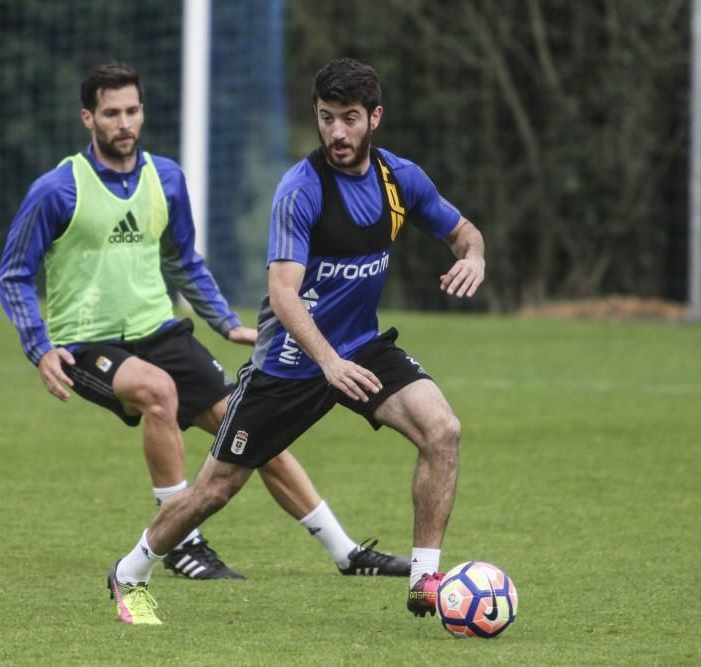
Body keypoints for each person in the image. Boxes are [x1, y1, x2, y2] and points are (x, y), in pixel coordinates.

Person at [0, 62, 409, 611]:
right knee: (158, 394)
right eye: (111, 112)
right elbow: (14, 273)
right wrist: (40, 346)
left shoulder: (165, 177)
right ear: (87, 117)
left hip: (160, 330)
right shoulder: (56, 189)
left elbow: (184, 261)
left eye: (132, 110)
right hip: (85, 343)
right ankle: (183, 543)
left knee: (255, 427)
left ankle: (345, 551)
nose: (124, 122)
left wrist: (224, 321)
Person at [108, 57, 486, 625]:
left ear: (375, 118)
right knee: (214, 490)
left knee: (443, 431)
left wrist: (474, 256)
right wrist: (326, 361)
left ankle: (424, 580)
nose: (337, 131)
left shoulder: (400, 179)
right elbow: (283, 294)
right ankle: (130, 572)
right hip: (288, 364)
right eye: (327, 117)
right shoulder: (300, 189)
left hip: (360, 348)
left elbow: (463, 232)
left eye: (350, 118)